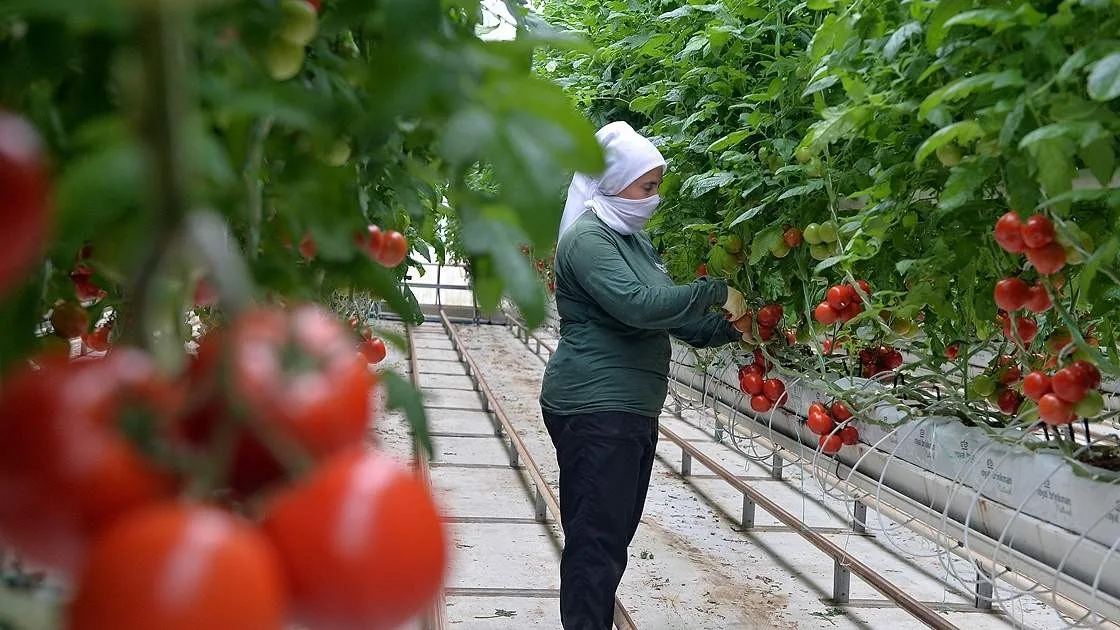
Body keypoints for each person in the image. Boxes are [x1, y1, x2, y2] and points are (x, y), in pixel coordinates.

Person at [539, 121, 749, 630]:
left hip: (627, 410)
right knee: (597, 542)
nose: (652, 199)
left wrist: (741, 331)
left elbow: (675, 319)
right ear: (615, 179)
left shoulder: (630, 240)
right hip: (595, 407)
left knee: (610, 537)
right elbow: (638, 306)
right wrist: (716, 292)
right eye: (647, 187)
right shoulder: (588, 239)